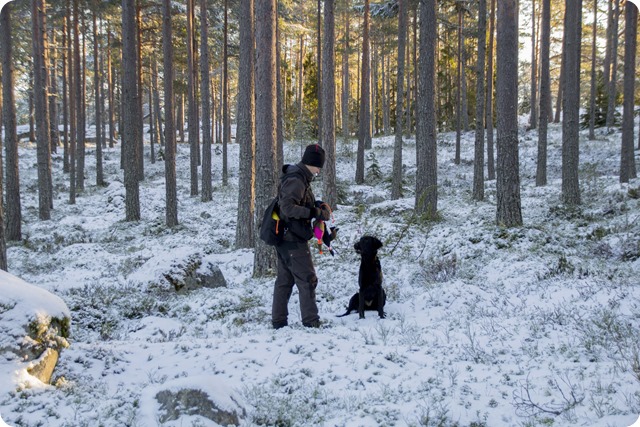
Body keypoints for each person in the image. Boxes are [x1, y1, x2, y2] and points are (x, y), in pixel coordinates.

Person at [272, 144, 331, 329]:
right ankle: (311, 322)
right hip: (292, 238)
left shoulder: (300, 177)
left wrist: (316, 205)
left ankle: (279, 322)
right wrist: (312, 212)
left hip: (286, 237)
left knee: (285, 280)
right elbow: (287, 208)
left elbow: (297, 202)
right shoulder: (297, 179)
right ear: (310, 163)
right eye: (318, 166)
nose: (319, 170)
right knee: (308, 279)